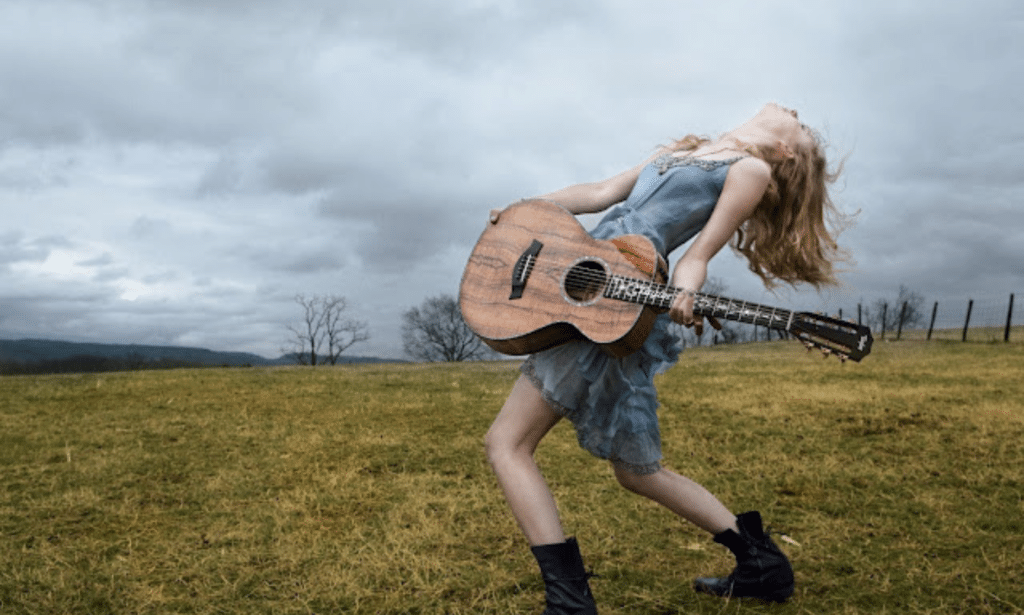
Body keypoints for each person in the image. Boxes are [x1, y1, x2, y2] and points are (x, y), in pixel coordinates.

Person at [483, 102, 849, 614]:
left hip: (614, 302)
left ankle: (569, 602)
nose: (793, 110)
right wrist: (528, 208)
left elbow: (696, 256)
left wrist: (686, 294)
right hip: (581, 274)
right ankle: (761, 563)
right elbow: (600, 193)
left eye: (802, 124)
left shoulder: (750, 170)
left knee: (507, 443)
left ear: (786, 149)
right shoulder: (683, 152)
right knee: (636, 471)